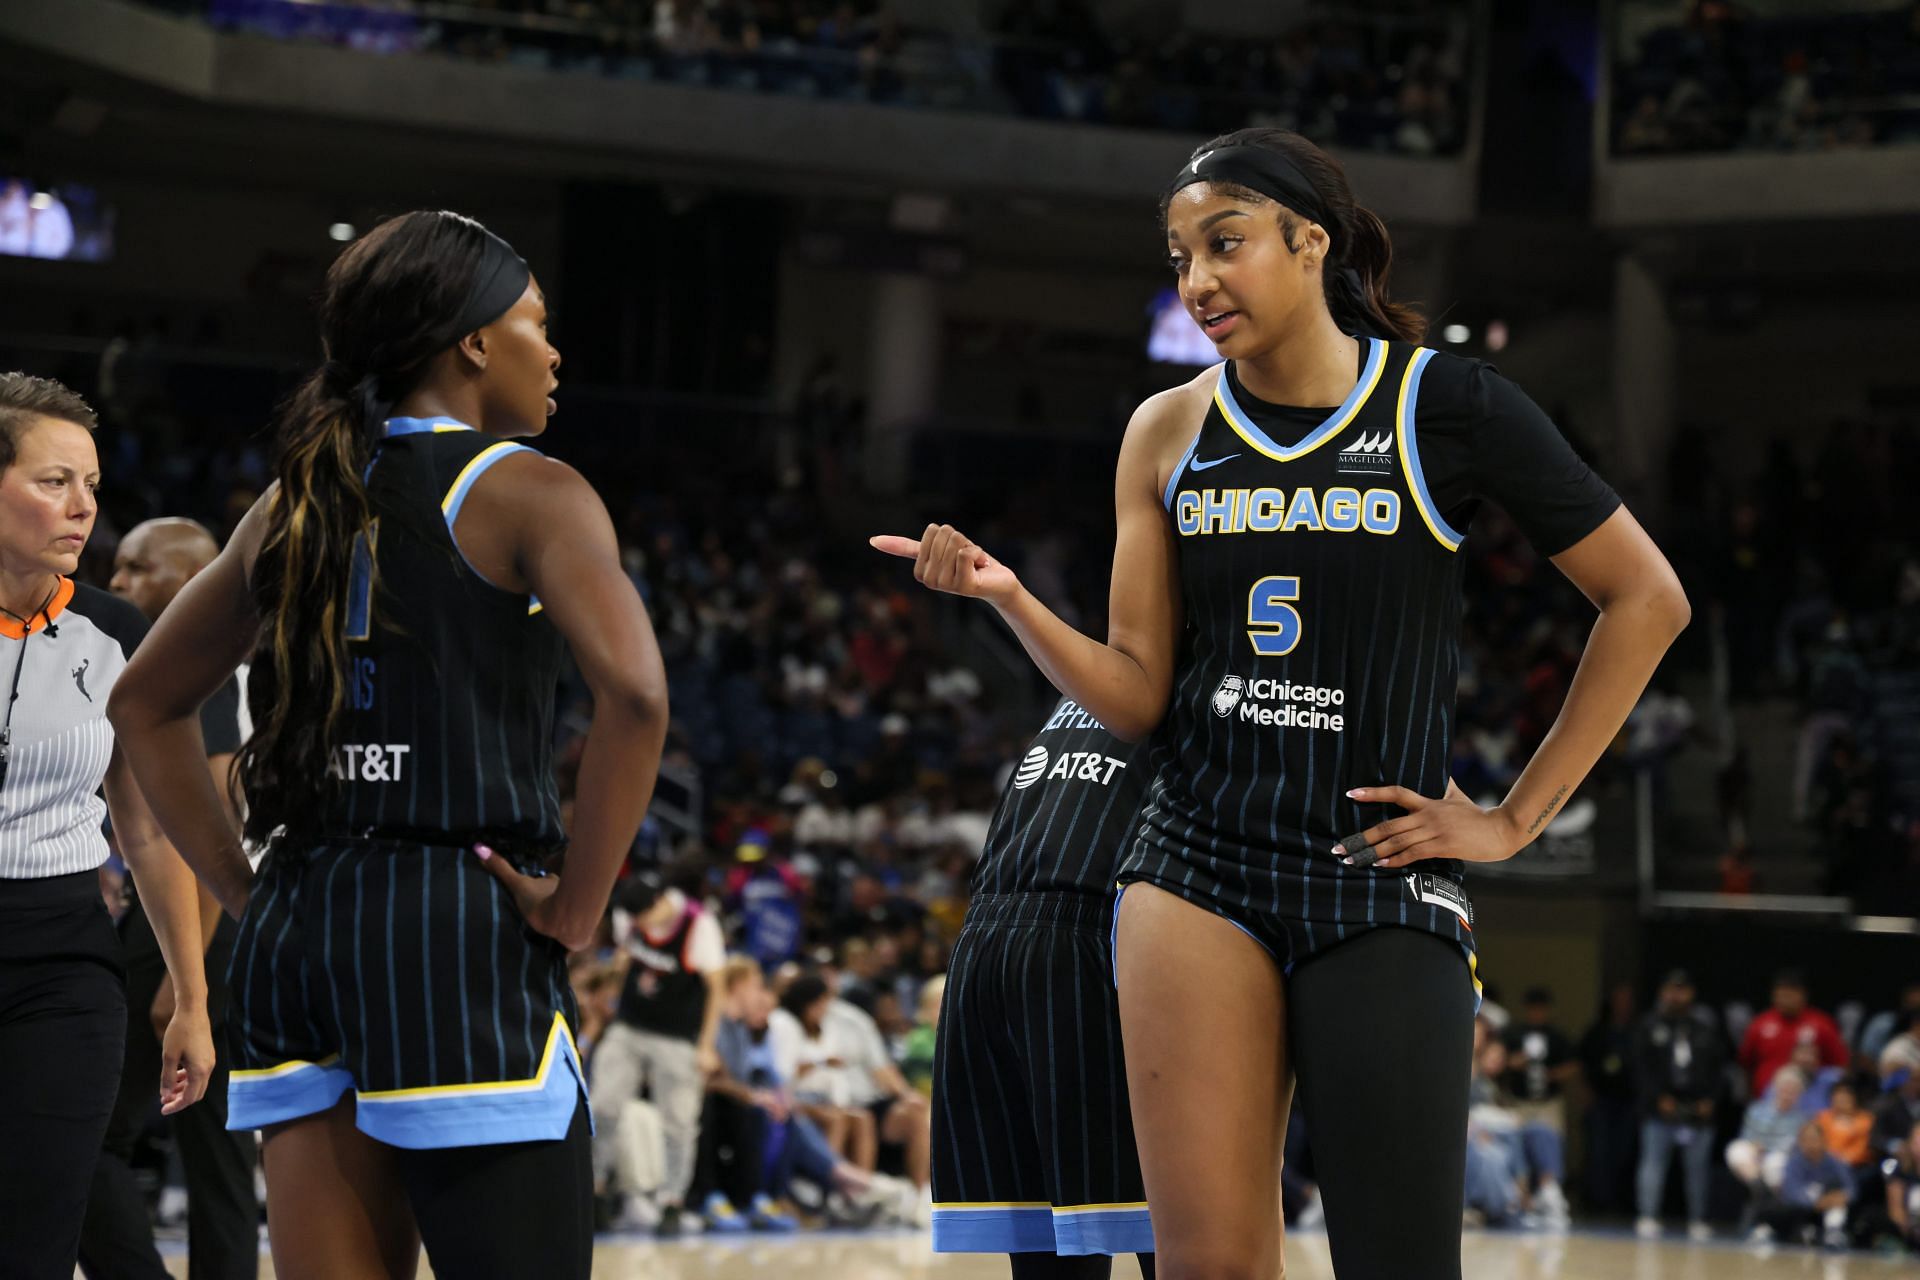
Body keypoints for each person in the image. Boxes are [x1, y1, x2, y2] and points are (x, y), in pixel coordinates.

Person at [873, 126, 1689, 1278]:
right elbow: (1138, 690)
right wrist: (1011, 597)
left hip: (1376, 869)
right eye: (1178, 256)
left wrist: (1514, 818)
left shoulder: (1446, 405)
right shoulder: (1165, 430)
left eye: (1225, 243)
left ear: (1312, 243)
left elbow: (1646, 599)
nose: (1198, 280)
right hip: (1193, 866)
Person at [106, 211, 670, 1279]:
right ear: (469, 342)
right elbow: (636, 697)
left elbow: (144, 705)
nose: (553, 351)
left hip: (301, 923)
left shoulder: (293, 499)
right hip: (454, 922)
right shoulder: (529, 488)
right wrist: (578, 903)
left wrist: (242, 887)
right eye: (536, 322)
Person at [0, 372, 215, 1279]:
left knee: (39, 1250)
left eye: (91, 484)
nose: (84, 506)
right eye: (54, 481)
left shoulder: (119, 631)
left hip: (63, 965)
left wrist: (193, 998)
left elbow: (151, 831)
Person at [82, 519, 258, 1280]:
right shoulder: (231, 664)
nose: (119, 584)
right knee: (216, 1152)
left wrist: (191, 981)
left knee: (86, 1138)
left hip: (191, 921)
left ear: (192, 578)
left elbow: (217, 816)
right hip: (228, 925)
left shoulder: (194, 664)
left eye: (137, 568)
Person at [928, 695, 1158, 1278]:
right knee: (1178, 1231)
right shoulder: (1197, 675)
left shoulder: (1075, 691)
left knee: (1050, 1246)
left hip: (985, 941)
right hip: (1083, 932)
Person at [593, 865, 727, 1237]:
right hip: (630, 1025)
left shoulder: (699, 925)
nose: (640, 924)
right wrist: (613, 989)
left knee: (679, 1122)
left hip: (678, 1036)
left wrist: (706, 1045)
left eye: (644, 916)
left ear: (660, 902)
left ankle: (672, 1200)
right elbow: (625, 956)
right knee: (603, 1104)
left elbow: (716, 988)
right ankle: (595, 1190)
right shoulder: (630, 918)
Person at [1633, 968, 1723, 1241]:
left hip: (1698, 1108)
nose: (1676, 995)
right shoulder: (1649, 1025)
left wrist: (1711, 1099)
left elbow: (1719, 1068)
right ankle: (1648, 1215)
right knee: (1653, 1163)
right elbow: (1640, 1067)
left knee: (1697, 1167)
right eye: (1671, 989)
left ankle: (1698, 1219)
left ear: (1691, 993)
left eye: (1682, 990)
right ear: (1662, 993)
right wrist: (1657, 1097)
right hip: (1659, 1108)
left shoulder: (1705, 1027)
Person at [1578, 980, 1640, 1216]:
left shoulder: (1637, 1031)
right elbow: (1582, 1065)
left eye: (1628, 1001)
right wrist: (1586, 1095)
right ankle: (1596, 1202)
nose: (1623, 1005)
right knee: (1599, 1152)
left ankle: (1618, 1202)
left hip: (1627, 1103)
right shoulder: (1597, 1032)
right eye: (1619, 1000)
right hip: (1600, 1101)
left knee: (1623, 1153)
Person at [1738, 969, 1848, 1097]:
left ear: (1803, 995)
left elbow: (1839, 1064)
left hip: (1812, 1103)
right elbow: (1746, 1064)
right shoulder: (1760, 1024)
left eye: (1788, 996)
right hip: (1766, 1102)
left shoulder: (1821, 1024)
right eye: (1779, 996)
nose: (1783, 1001)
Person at [1756, 1119, 1854, 1248]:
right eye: (1805, 1139)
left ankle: (1833, 1233)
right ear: (1800, 1142)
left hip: (1826, 1210)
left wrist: (1843, 1196)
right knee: (1779, 1208)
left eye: (1814, 1139)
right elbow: (1791, 1193)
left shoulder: (1835, 1162)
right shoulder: (1794, 1163)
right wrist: (1816, 1203)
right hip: (1801, 1211)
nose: (1810, 1144)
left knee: (1839, 1201)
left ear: (1824, 1140)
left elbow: (1851, 1188)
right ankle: (1772, 1231)